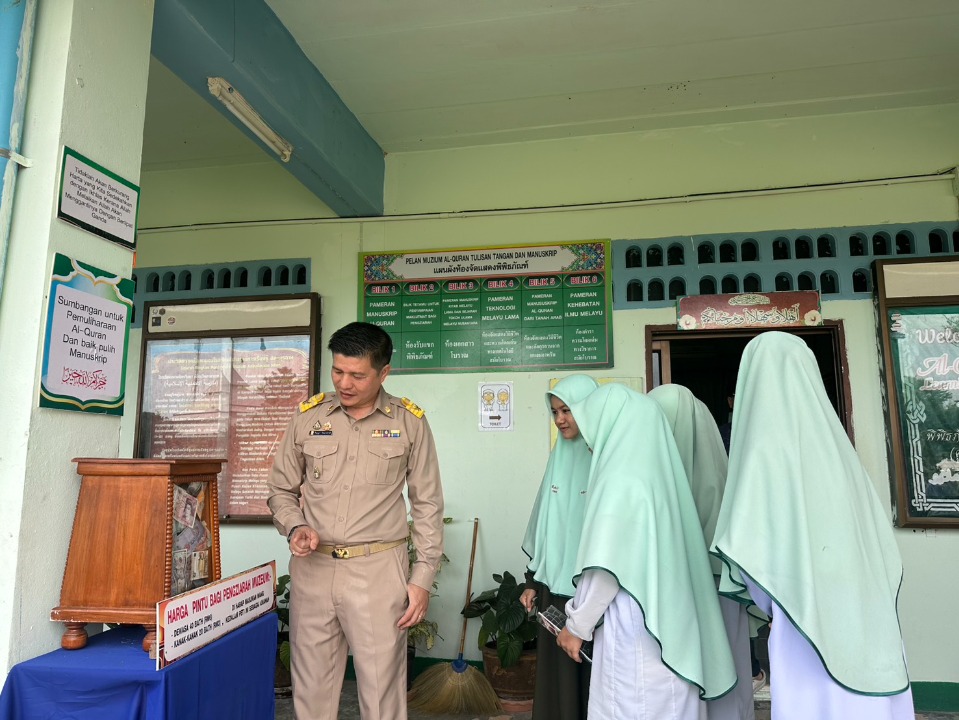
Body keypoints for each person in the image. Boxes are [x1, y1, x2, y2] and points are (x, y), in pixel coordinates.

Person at [711, 331, 914, 719]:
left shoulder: (762, 452)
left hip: (803, 611)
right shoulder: (838, 449)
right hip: (866, 610)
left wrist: (776, 602)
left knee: (819, 703)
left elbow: (751, 551)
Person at [267, 321, 445, 720]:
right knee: (311, 690)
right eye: (338, 371)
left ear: (383, 373)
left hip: (377, 570)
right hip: (313, 570)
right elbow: (280, 489)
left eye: (357, 375)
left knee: (382, 693)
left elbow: (428, 505)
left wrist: (421, 579)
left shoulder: (409, 422)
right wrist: (295, 526)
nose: (344, 383)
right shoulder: (309, 417)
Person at [555, 382, 737, 720]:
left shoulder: (619, 481)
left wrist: (576, 626)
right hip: (674, 628)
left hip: (639, 632)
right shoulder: (659, 478)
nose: (588, 438)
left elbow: (605, 569)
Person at [649, 383, 754, 720]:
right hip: (719, 583)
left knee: (708, 667)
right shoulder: (717, 473)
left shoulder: (665, 477)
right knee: (724, 664)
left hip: (703, 586)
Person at [519, 374, 599, 720]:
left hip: (594, 592)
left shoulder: (604, 458)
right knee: (557, 683)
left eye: (567, 410)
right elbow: (544, 524)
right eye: (555, 412)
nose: (560, 420)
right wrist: (531, 582)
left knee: (592, 681)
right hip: (554, 591)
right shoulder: (558, 457)